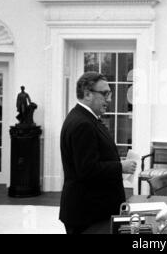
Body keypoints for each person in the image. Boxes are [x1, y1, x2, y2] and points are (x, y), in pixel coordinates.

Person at [59, 72, 137, 234]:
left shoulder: (87, 118)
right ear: (87, 94)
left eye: (110, 93)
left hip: (93, 211)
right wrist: (120, 166)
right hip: (88, 215)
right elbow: (87, 170)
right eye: (105, 93)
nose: (109, 99)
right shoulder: (82, 123)